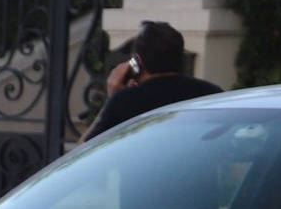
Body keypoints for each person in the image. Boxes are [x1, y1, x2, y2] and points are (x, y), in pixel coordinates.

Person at [88, 21, 222, 138]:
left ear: (137, 63)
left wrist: (110, 99)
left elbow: (84, 150)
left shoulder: (125, 101)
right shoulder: (212, 95)